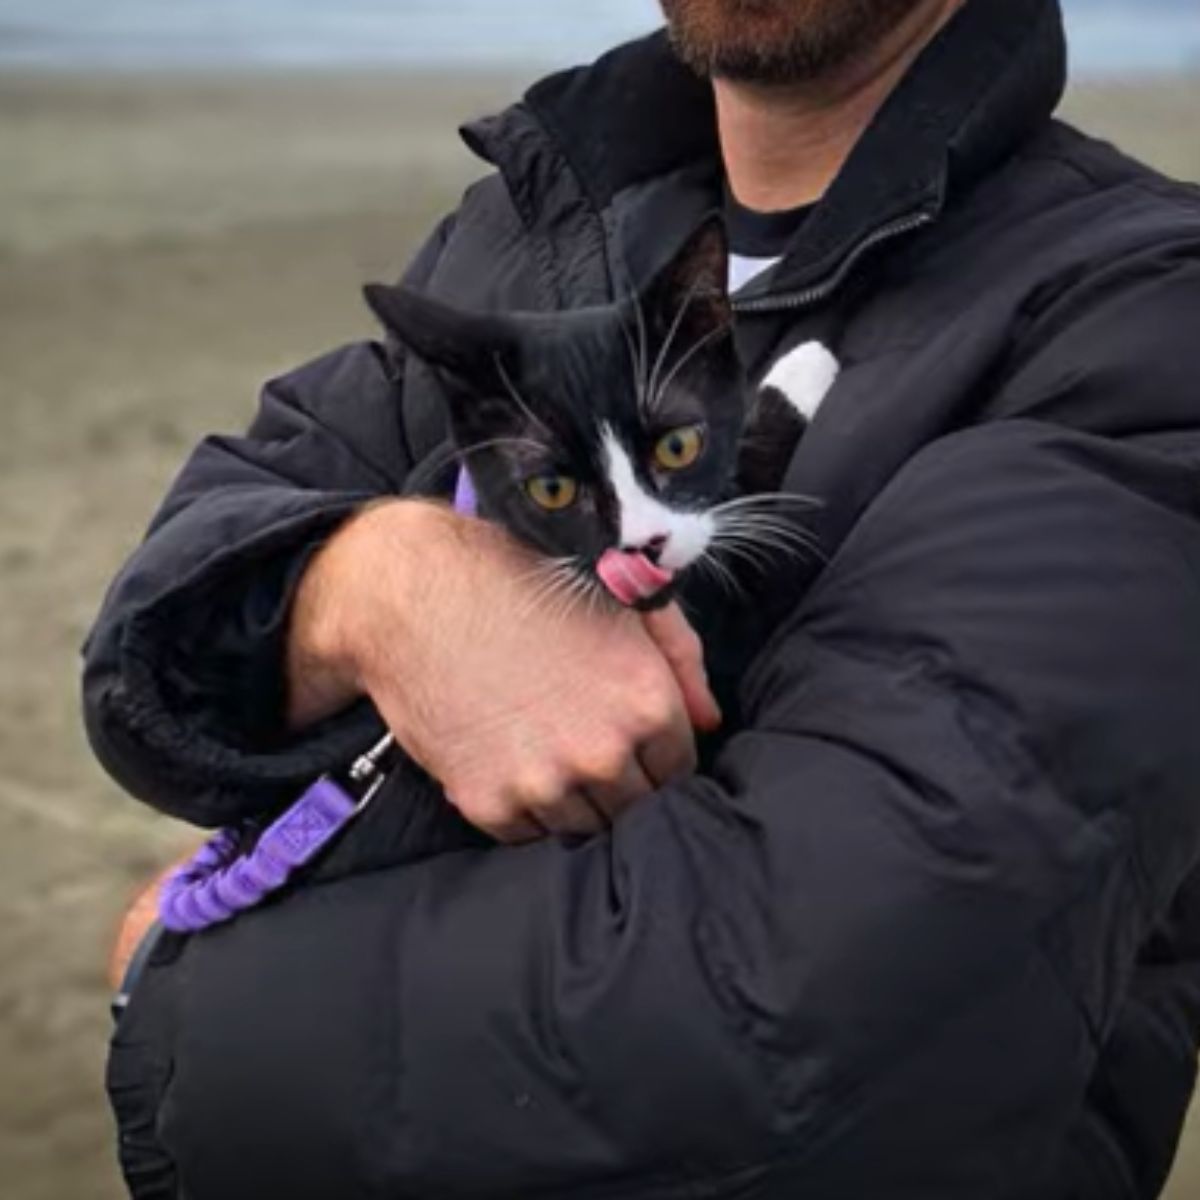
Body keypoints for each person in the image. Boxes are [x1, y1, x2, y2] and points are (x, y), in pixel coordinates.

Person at [89, 0, 1200, 1196]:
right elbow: (155, 654)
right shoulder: (529, 224)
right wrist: (369, 582)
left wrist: (175, 1007)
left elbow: (800, 1011)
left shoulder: (1140, 308)